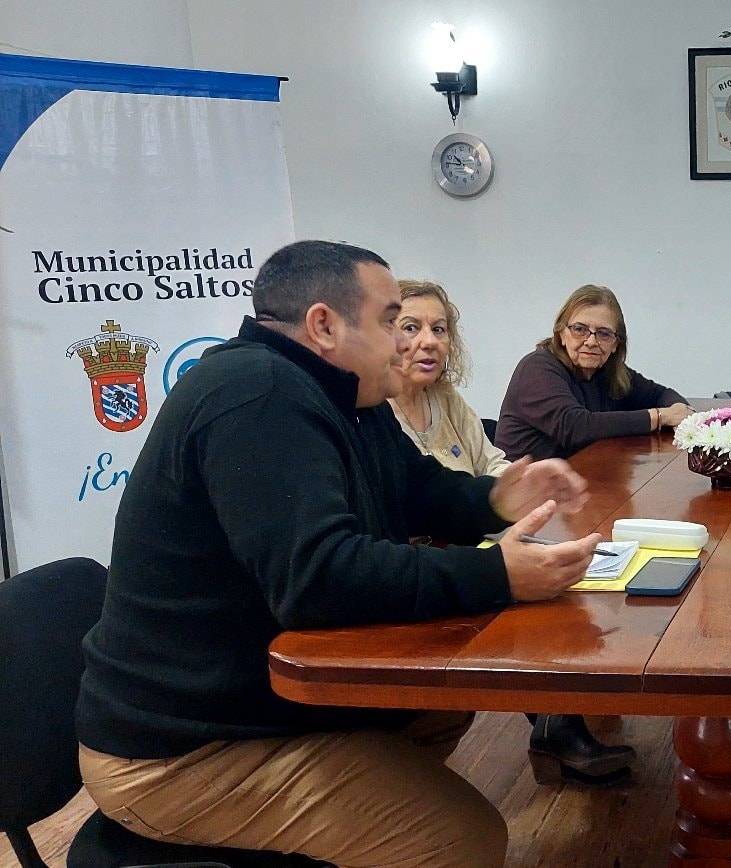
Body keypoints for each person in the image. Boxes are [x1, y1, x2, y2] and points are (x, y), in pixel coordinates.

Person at [76, 241, 602, 868]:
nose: (405, 342)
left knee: (442, 702)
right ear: (323, 325)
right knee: (462, 839)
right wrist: (498, 573)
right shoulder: (258, 394)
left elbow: (418, 487)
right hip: (178, 753)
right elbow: (318, 577)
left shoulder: (343, 394)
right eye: (390, 322)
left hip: (246, 710)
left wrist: (497, 497)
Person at [390, 278, 636, 785]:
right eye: (410, 327)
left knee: (572, 572)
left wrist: (522, 490)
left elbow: (492, 462)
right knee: (539, 590)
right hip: (422, 562)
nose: (429, 340)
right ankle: (558, 727)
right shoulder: (375, 414)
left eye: (439, 328)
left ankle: (560, 719)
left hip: (476, 539)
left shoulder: (447, 399)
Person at [495, 284, 692, 460]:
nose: (591, 341)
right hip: (529, 493)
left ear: (616, 343)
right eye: (579, 329)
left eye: (603, 333)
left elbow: (659, 394)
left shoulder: (608, 371)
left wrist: (679, 414)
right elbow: (575, 427)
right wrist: (660, 417)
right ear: (562, 334)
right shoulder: (537, 368)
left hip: (585, 480)